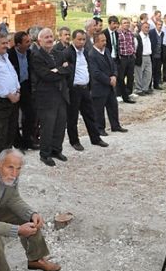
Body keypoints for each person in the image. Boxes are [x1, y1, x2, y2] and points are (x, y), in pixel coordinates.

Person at [30, 28, 70, 167]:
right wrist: (61, 70)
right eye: (46, 37)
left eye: (51, 36)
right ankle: (45, 154)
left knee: (60, 125)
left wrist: (57, 70)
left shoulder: (59, 54)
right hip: (46, 98)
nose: (49, 39)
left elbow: (69, 69)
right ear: (39, 41)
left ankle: (56, 150)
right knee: (48, 127)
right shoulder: (36, 56)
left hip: (61, 96)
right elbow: (45, 76)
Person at [64, 29, 109, 150]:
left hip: (85, 88)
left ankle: (95, 138)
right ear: (73, 39)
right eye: (79, 39)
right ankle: (74, 141)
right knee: (72, 117)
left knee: (90, 114)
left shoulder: (85, 52)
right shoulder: (68, 53)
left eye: (84, 39)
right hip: (74, 89)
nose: (82, 42)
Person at [89, 33, 128, 135]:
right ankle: (100, 128)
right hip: (99, 86)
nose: (105, 43)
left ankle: (115, 125)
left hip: (110, 85)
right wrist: (108, 80)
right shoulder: (91, 55)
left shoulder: (106, 51)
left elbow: (113, 64)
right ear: (96, 42)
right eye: (102, 41)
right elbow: (95, 72)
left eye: (105, 40)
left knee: (113, 106)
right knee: (99, 109)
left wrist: (114, 76)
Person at [7, 31, 38, 150]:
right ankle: (18, 143)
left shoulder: (29, 53)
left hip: (25, 86)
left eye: (29, 41)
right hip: (13, 88)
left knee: (30, 114)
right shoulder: (9, 55)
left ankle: (28, 140)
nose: (29, 44)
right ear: (18, 44)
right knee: (14, 117)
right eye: (26, 42)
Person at [116, 17, 137, 103]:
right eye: (124, 23)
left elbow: (132, 43)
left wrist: (133, 53)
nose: (127, 24)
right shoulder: (118, 34)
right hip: (123, 57)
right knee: (121, 77)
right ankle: (119, 94)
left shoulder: (130, 33)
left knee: (130, 76)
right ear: (121, 24)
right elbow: (117, 45)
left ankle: (129, 92)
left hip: (130, 57)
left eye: (128, 23)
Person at [134, 21, 153, 94]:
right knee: (139, 74)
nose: (147, 29)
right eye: (145, 27)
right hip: (141, 56)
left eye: (148, 27)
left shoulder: (148, 36)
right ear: (141, 28)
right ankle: (138, 89)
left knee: (148, 73)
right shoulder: (138, 37)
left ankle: (145, 88)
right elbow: (135, 48)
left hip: (148, 56)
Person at [149, 19, 164, 90]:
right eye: (158, 24)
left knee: (158, 70)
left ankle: (156, 84)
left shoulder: (162, 33)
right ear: (156, 25)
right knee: (151, 70)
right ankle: (149, 86)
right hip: (153, 54)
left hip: (159, 54)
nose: (160, 26)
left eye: (161, 25)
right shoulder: (151, 32)